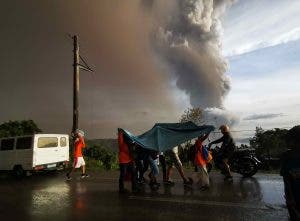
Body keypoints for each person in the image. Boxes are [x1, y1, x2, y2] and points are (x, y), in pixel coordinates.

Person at [117, 129, 138, 193]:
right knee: (123, 174)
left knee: (134, 173)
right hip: (123, 161)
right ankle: (121, 189)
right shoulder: (122, 143)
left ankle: (134, 187)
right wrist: (120, 132)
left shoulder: (131, 144)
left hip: (130, 160)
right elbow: (120, 138)